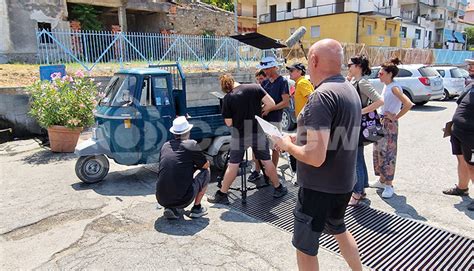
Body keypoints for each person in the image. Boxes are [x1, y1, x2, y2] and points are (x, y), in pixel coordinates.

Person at [273, 39, 362, 271]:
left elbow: (315, 157)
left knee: (305, 247)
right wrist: (298, 139)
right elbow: (333, 137)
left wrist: (285, 144)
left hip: (318, 189)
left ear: (313, 60)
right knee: (339, 229)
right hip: (343, 184)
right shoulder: (348, 89)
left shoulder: (321, 96)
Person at [207, 74, 288, 204]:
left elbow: (228, 123)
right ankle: (278, 187)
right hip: (258, 132)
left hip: (240, 134)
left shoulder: (228, 98)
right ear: (235, 80)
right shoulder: (255, 87)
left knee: (233, 165)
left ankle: (222, 194)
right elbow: (271, 103)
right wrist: (260, 112)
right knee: (266, 161)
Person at [370, 58, 414, 199]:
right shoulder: (387, 85)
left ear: (389, 74)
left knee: (388, 153)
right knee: (378, 152)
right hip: (381, 121)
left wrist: (395, 116)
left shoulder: (394, 87)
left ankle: (389, 184)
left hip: (389, 124)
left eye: (381, 73)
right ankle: (382, 180)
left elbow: (408, 104)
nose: (379, 74)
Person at [346, 55, 384, 206]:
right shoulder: (355, 81)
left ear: (358, 66)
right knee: (358, 159)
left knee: (355, 160)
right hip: (354, 126)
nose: (348, 66)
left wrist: (360, 111)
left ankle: (357, 192)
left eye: (350, 64)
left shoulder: (362, 82)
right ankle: (361, 190)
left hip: (357, 126)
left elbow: (380, 100)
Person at [155, 116, 210, 220]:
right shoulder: (191, 144)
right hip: (184, 200)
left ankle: (170, 207)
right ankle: (197, 208)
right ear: (188, 131)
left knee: (171, 172)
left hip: (161, 198)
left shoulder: (165, 145)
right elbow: (205, 165)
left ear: (174, 133)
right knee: (206, 171)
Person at [442, 59, 474, 211]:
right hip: (458, 131)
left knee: (472, 166)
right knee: (461, 161)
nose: (470, 67)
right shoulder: (471, 85)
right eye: (470, 65)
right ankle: (462, 188)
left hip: (471, 135)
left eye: (473, 65)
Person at [286, 63, 314, 172]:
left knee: (301, 148)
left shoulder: (302, 83)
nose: (290, 73)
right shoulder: (299, 83)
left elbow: (312, 99)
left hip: (306, 121)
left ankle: (303, 173)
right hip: (303, 121)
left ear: (299, 71)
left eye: (292, 70)